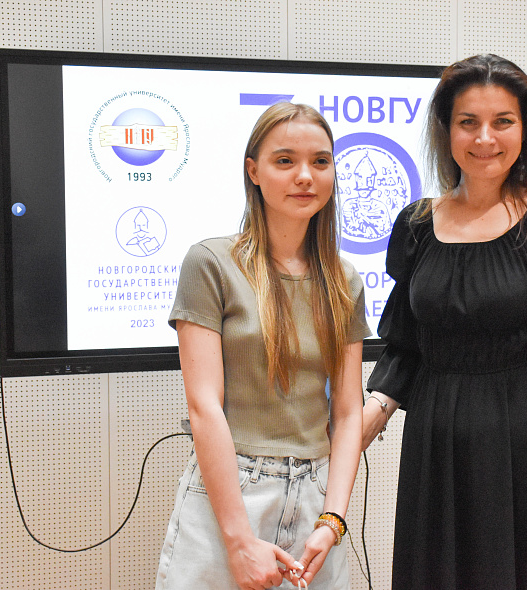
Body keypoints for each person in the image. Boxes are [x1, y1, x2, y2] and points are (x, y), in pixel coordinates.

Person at [362, 54, 527, 590]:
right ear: (446, 129)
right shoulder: (415, 226)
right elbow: (406, 348)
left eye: (502, 121)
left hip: (526, 444)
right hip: (433, 448)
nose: (485, 138)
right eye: (468, 122)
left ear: (524, 129)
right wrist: (359, 427)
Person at [155, 102, 371, 590]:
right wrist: (238, 541)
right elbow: (204, 406)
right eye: (285, 160)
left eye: (320, 161)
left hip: (318, 500)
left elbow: (347, 412)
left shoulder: (345, 281)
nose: (305, 176)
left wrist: (333, 520)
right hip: (233, 494)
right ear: (253, 171)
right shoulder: (211, 263)